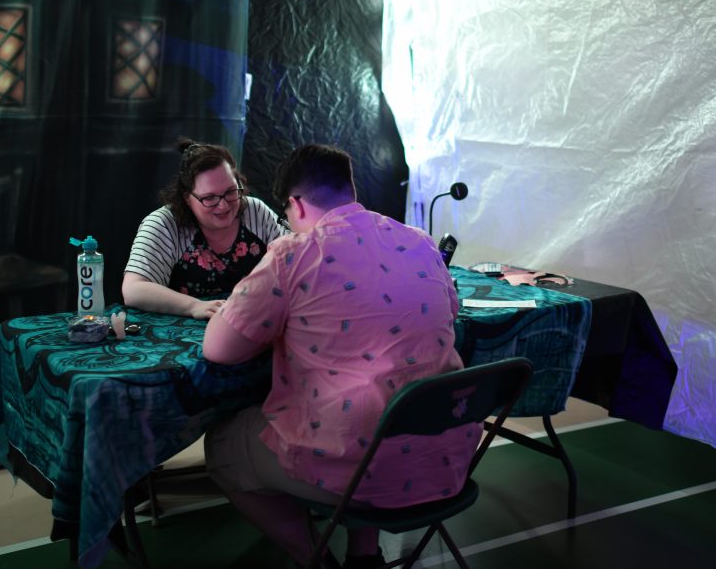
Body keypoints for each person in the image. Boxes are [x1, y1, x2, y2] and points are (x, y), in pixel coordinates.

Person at [201, 144, 477, 568]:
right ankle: (364, 557)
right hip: (447, 459)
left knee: (224, 447)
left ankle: (315, 559)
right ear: (349, 189)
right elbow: (449, 313)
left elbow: (218, 349)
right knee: (372, 394)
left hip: (361, 469)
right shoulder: (421, 243)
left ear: (295, 204)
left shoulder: (294, 253)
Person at [122, 140, 289, 319]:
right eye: (209, 198)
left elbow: (297, 259)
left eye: (231, 191)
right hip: (179, 328)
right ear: (187, 198)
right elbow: (134, 290)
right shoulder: (164, 224)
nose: (223, 205)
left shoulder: (255, 212)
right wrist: (194, 306)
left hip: (250, 322)